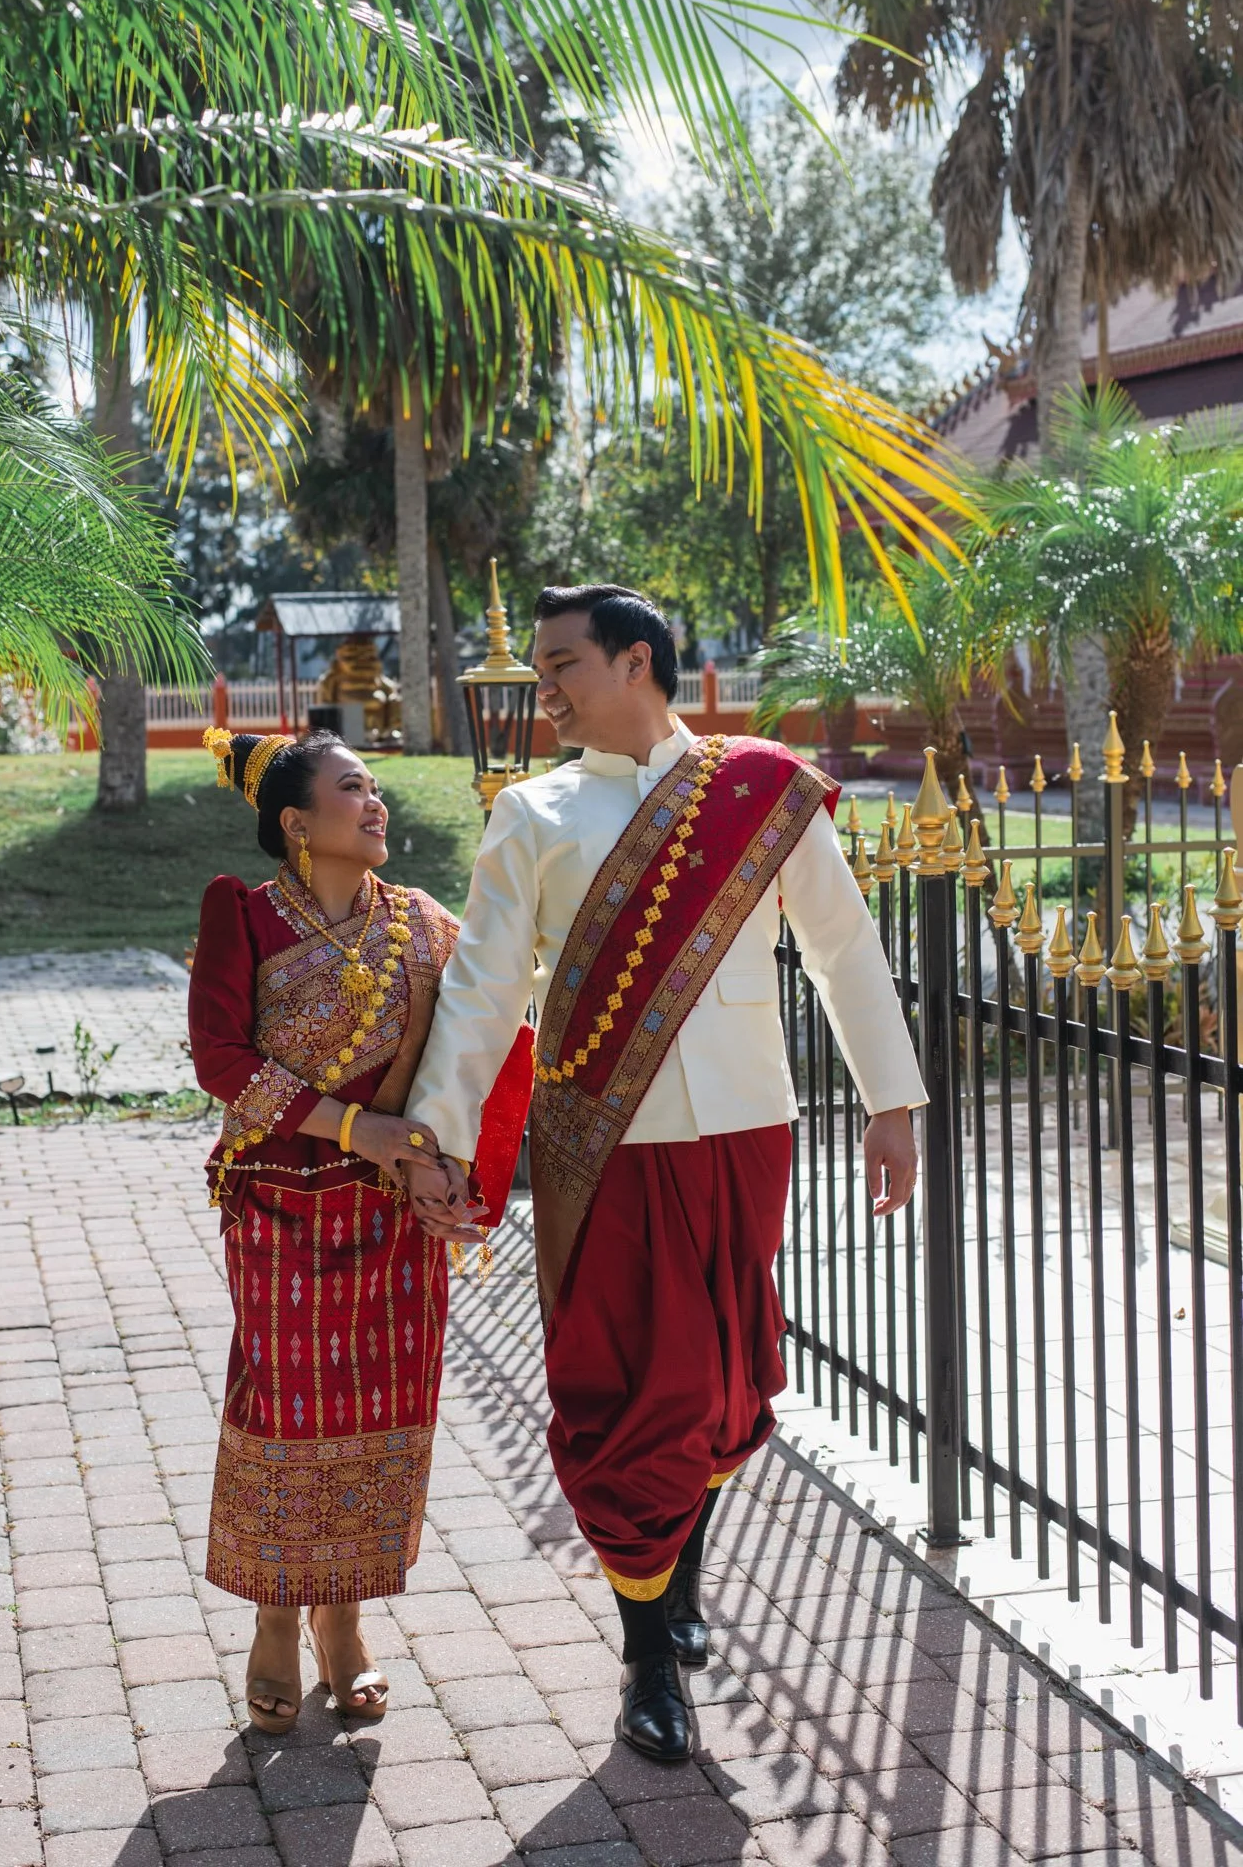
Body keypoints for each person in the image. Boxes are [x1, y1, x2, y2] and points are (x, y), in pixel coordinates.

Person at [406, 585, 927, 1762]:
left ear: (635, 660)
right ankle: (648, 1651)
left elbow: (842, 946)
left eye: (562, 666)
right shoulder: (530, 812)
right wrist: (439, 1131)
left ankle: (670, 1578)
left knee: (725, 1384)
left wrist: (892, 1100)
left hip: (747, 1126)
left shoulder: (761, 790)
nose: (543, 689)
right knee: (630, 1388)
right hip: (605, 1149)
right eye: (540, 669)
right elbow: (485, 989)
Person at [188, 726, 529, 1734]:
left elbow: (484, 1046)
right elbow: (218, 1058)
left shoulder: (422, 922)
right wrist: (354, 1124)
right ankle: (277, 1617)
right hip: (280, 1203)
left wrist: (441, 1162)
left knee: (384, 1412)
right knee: (287, 1410)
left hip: (392, 1216)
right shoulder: (242, 917)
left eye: (376, 787)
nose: (375, 804)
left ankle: (346, 1619)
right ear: (297, 822)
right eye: (352, 789)